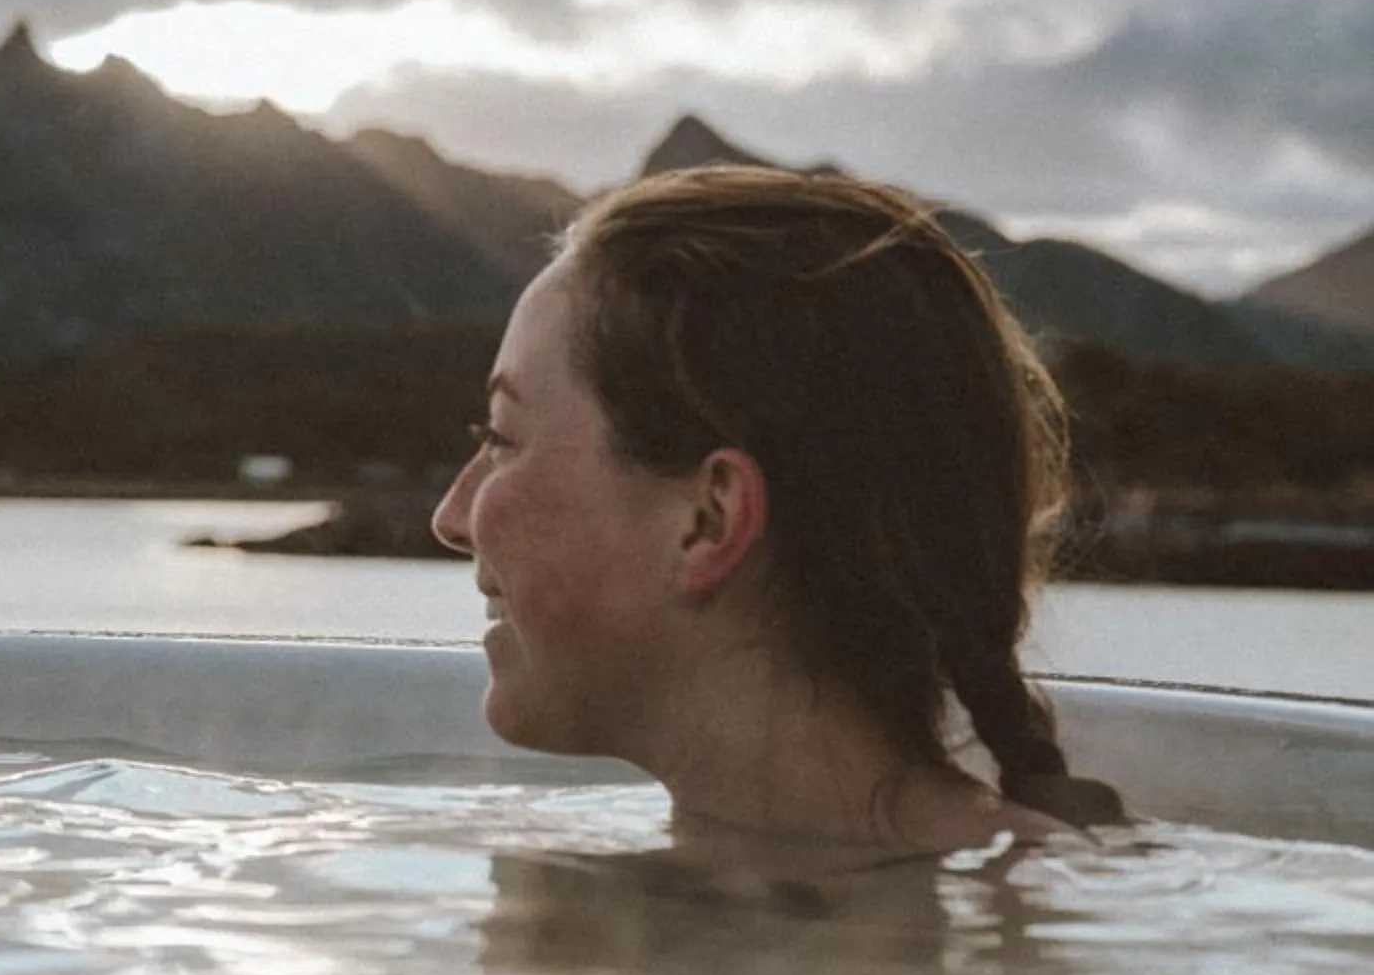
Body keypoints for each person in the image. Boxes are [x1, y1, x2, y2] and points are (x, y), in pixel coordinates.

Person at [431, 164, 1122, 849]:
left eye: (502, 438)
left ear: (709, 520)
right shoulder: (1041, 896)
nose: (450, 519)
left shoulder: (533, 875)